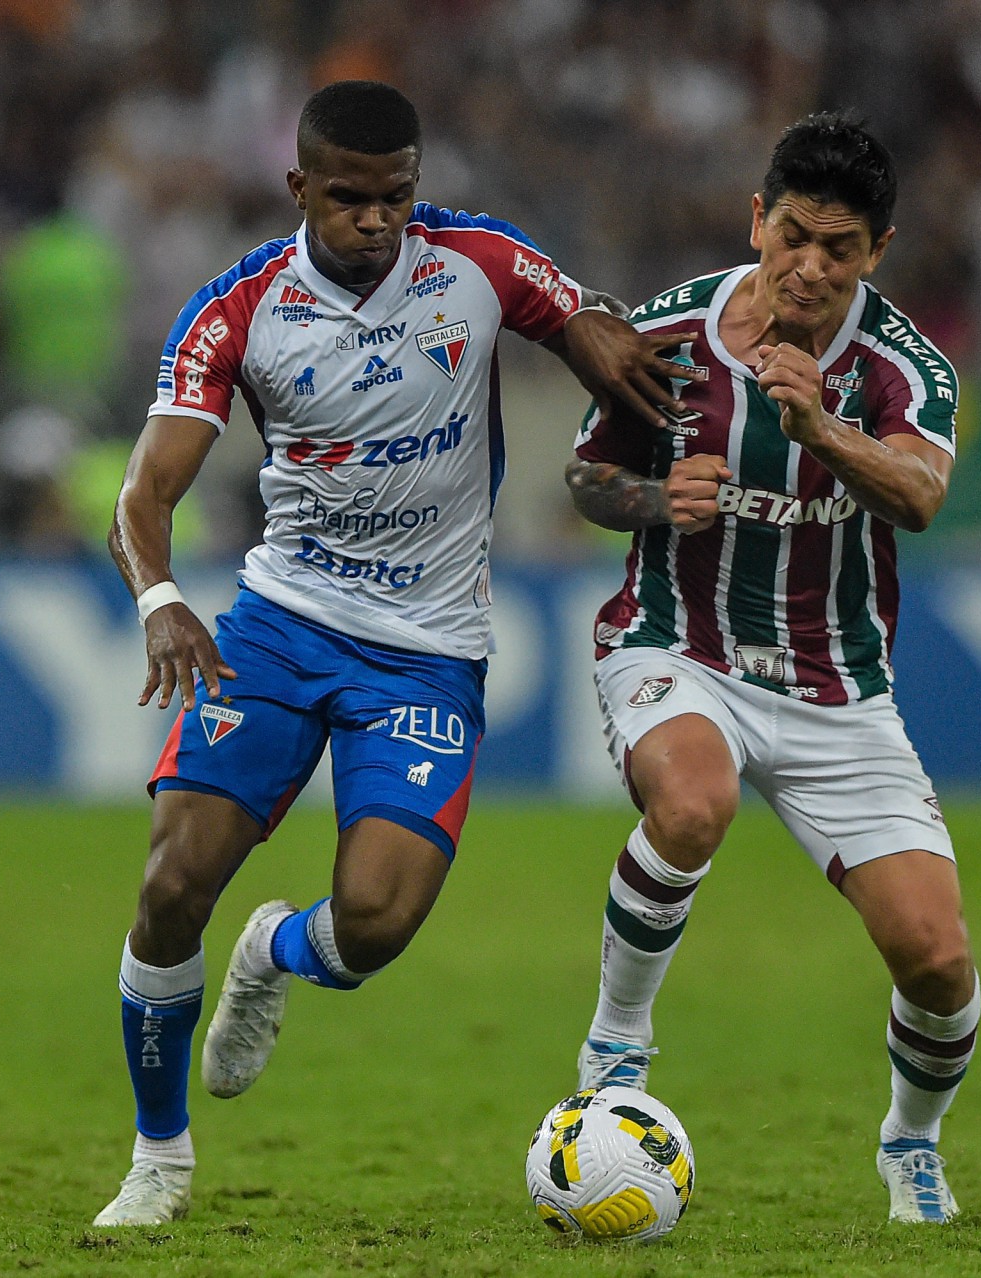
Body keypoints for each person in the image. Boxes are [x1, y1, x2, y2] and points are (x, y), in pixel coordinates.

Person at [93, 80, 700, 1227]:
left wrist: (622, 376)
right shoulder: (239, 310)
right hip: (279, 626)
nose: (377, 221)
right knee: (172, 885)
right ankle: (158, 1161)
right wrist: (163, 598)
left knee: (372, 926)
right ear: (300, 189)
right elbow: (143, 492)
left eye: (397, 198)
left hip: (425, 653)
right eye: (351, 200)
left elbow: (586, 328)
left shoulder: (476, 265)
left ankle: (275, 950)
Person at [562, 112, 979, 1224]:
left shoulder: (901, 368)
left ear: (877, 251)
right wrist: (655, 498)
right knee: (694, 804)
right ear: (758, 217)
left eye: (839, 249)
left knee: (937, 960)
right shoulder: (666, 335)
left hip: (838, 688)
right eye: (793, 234)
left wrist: (823, 429)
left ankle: (911, 1142)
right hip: (675, 646)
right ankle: (619, 1041)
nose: (809, 265)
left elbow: (924, 496)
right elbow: (586, 483)